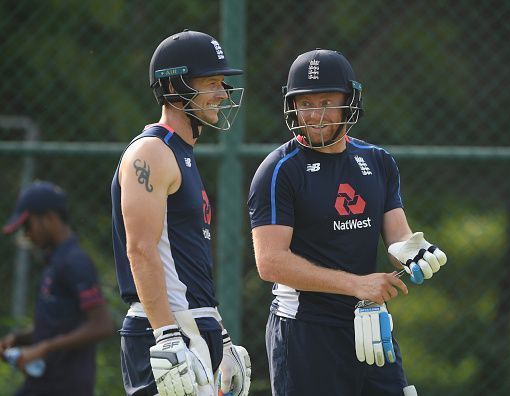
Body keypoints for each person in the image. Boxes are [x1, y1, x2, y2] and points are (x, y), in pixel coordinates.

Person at [248, 49, 448, 396]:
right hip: (305, 331)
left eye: (326, 101)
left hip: (370, 323)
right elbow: (270, 262)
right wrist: (358, 285)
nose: (315, 114)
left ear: (349, 103)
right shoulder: (279, 169)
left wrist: (414, 251)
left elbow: (397, 238)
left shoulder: (378, 161)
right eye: (305, 103)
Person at [111, 30, 251, 396]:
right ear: (174, 88)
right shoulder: (152, 153)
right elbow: (140, 249)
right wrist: (167, 336)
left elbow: (184, 265)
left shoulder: (180, 153)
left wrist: (217, 332)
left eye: (222, 83)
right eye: (211, 83)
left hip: (190, 327)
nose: (222, 93)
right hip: (165, 331)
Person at [0, 181, 113, 396]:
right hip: (44, 383)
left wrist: (44, 348)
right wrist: (19, 338)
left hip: (65, 385)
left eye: (28, 225)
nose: (27, 234)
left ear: (49, 218)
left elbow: (102, 324)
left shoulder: (74, 262)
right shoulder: (55, 261)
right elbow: (61, 324)